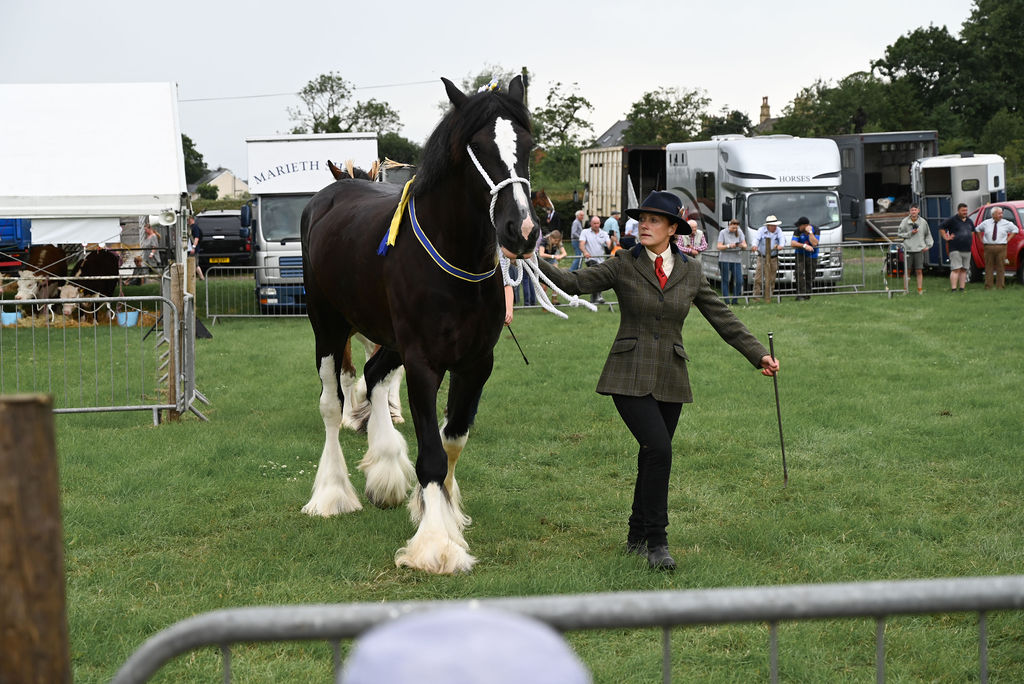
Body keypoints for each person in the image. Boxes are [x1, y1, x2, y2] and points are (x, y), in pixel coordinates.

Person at [536, 191, 780, 571]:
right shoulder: (622, 264)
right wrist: (531, 259)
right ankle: (657, 541)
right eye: (641, 219)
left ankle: (636, 534)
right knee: (660, 450)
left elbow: (722, 317)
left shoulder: (691, 271)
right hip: (626, 373)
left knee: (652, 454)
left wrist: (757, 354)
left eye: (653, 220)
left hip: (671, 375)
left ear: (671, 229)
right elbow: (572, 282)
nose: (643, 225)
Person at [974, 207, 1018, 289]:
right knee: (988, 267)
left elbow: (1015, 230)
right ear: (993, 214)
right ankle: (988, 286)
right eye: (999, 213)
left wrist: (1008, 239)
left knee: (1000, 267)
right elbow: (977, 229)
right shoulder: (986, 223)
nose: (1001, 215)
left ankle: (1000, 286)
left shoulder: (1006, 223)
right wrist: (981, 239)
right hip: (988, 247)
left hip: (1001, 247)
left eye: (1001, 213)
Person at [896, 204, 933, 294]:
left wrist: (928, 246)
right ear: (909, 211)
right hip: (908, 249)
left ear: (918, 211)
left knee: (919, 270)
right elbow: (899, 234)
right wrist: (910, 233)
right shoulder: (905, 221)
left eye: (915, 210)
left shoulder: (923, 222)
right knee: (907, 271)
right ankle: (905, 290)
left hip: (919, 249)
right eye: (912, 210)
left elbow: (928, 235)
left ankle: (920, 290)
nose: (913, 212)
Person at [939, 203, 974, 292]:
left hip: (967, 249)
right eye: (963, 210)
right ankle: (954, 289)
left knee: (964, 269)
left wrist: (970, 240)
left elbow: (973, 231)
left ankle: (962, 289)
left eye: (966, 210)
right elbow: (941, 227)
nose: (965, 212)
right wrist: (946, 237)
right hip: (955, 248)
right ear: (958, 211)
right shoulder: (952, 220)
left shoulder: (969, 221)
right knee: (956, 269)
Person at [579, 215, 611, 304]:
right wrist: (585, 252)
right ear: (591, 224)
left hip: (601, 260)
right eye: (594, 223)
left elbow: (609, 245)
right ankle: (598, 297)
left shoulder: (604, 233)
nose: (596, 225)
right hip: (590, 259)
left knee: (597, 279)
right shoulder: (585, 232)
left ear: (600, 223)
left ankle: (594, 299)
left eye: (597, 223)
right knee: (596, 274)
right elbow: (581, 244)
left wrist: (612, 243)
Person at [750, 215, 783, 301]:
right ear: (768, 225)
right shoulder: (761, 230)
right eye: (773, 225)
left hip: (773, 258)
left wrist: (780, 246)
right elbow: (756, 239)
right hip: (762, 257)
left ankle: (769, 295)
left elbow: (782, 239)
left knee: (772, 278)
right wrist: (754, 246)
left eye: (776, 225)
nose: (775, 227)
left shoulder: (778, 230)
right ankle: (756, 296)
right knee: (758, 278)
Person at [716, 218, 746, 304]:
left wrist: (741, 246)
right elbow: (719, 246)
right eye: (733, 228)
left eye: (736, 228)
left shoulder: (740, 232)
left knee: (740, 280)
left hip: (736, 259)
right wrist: (729, 246)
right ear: (730, 225)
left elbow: (745, 245)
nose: (735, 230)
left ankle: (735, 300)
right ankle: (727, 301)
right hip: (724, 259)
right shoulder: (723, 233)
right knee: (725, 280)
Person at [789, 216, 820, 301]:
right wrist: (804, 246)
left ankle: (807, 294)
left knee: (810, 275)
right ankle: (800, 294)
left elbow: (815, 243)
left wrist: (810, 232)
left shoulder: (816, 230)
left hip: (812, 255)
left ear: (806, 225)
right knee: (799, 273)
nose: (799, 227)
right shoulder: (798, 231)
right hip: (800, 254)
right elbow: (793, 243)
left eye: (800, 225)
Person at [539, 230, 567, 303]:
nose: (556, 242)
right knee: (544, 283)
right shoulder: (544, 241)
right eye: (555, 240)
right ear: (551, 238)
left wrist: (560, 256)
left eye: (558, 241)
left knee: (556, 279)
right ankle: (544, 302)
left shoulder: (558, 242)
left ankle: (554, 299)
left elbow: (564, 253)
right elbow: (541, 254)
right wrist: (553, 256)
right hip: (543, 261)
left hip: (553, 261)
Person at [188, 215, 204, 281]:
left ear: (191, 219)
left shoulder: (195, 227)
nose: (187, 221)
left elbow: (196, 238)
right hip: (190, 248)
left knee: (195, 264)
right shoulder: (191, 227)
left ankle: (201, 277)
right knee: (193, 264)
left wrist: (193, 247)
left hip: (193, 249)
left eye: (188, 219)